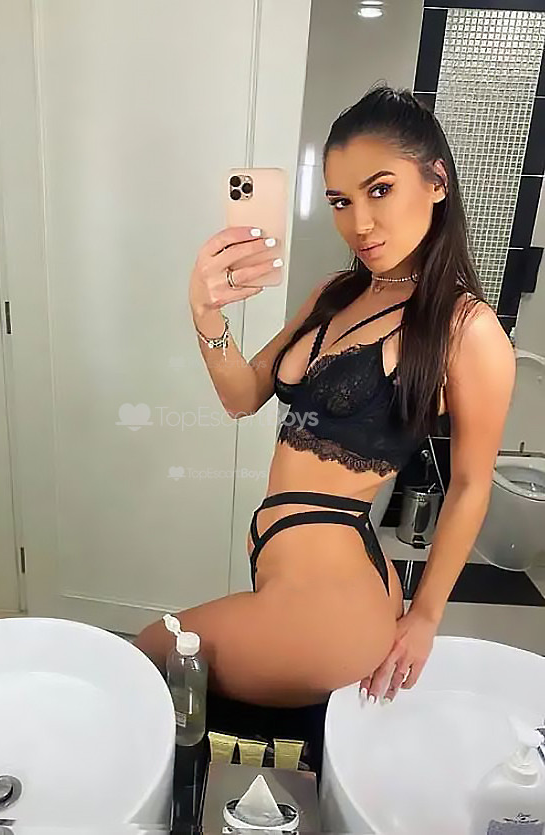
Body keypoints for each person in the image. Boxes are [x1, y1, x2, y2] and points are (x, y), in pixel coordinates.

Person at [134, 86, 515, 714]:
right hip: (291, 571)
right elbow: (242, 396)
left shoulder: (466, 328)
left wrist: (425, 618)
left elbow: (472, 484)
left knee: (145, 656)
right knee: (187, 712)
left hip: (335, 606)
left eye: (380, 190)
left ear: (437, 182)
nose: (358, 223)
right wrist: (205, 313)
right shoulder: (336, 292)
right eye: (341, 200)